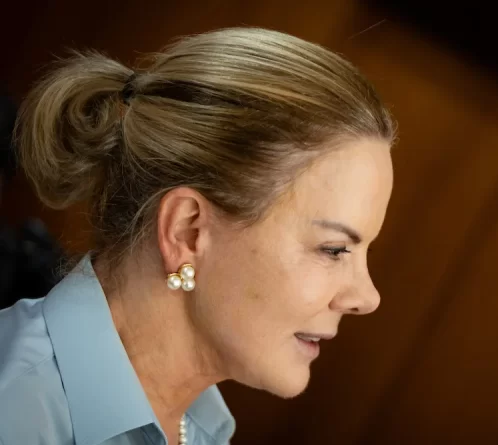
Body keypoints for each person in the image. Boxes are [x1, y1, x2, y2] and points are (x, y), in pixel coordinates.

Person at [0, 27, 395, 445]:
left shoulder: (201, 428)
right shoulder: (16, 410)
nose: (367, 298)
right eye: (334, 249)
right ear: (187, 232)